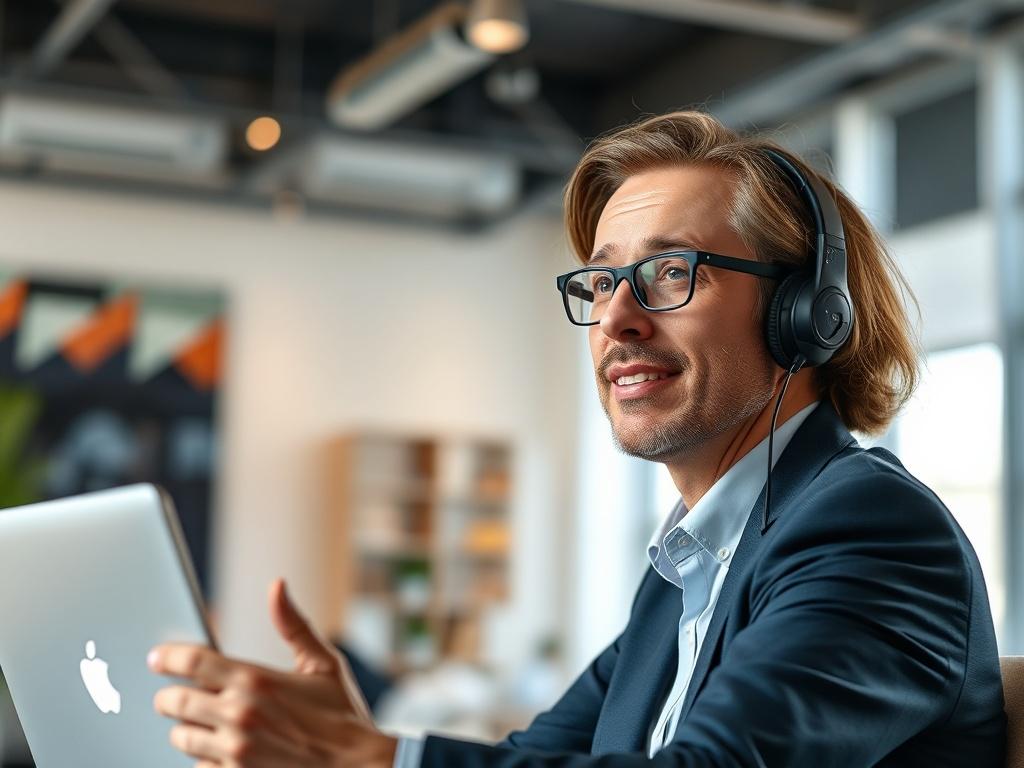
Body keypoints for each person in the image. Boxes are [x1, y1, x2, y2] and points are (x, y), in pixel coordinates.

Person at [147, 110, 1007, 766]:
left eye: (669, 271)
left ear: (803, 315)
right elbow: (532, 758)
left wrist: (370, 759)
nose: (616, 318)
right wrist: (354, 740)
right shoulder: (686, 573)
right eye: (600, 281)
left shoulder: (872, 532)